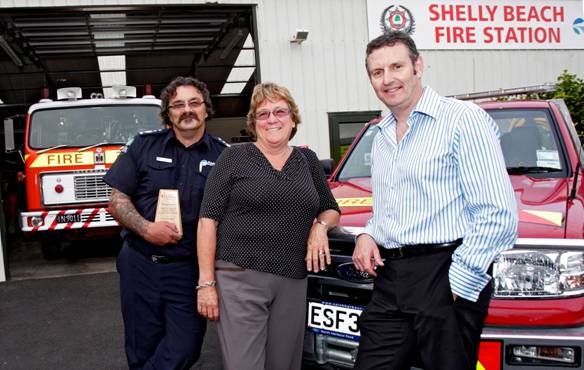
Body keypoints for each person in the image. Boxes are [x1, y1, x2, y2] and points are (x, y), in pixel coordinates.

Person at [351, 32, 518, 370]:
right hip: (391, 276)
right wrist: (368, 233)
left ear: (418, 66)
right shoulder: (380, 135)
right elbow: (390, 209)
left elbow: (497, 213)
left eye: (397, 66)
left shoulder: (462, 120)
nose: (388, 79)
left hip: (445, 269)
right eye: (377, 72)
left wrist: (462, 279)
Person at [196, 82, 340, 370]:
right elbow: (207, 220)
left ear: (293, 118)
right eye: (263, 114)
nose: (272, 119)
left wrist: (320, 227)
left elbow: (331, 209)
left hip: (292, 279)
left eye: (279, 111)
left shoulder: (307, 160)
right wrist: (206, 283)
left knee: (284, 364)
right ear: (254, 123)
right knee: (244, 365)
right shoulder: (233, 158)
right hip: (239, 277)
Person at [104, 76, 227, 370]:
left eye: (194, 103)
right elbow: (117, 200)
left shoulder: (224, 156)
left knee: (185, 347)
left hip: (189, 268)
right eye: (178, 105)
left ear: (206, 109)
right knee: (141, 347)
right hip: (140, 264)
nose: (187, 110)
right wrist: (147, 229)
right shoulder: (143, 145)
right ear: (168, 113)